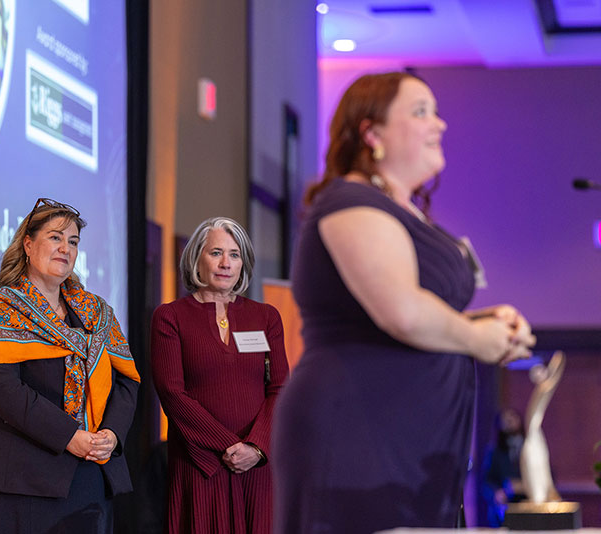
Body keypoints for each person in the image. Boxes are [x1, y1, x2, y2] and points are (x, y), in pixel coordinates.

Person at [271, 72, 537, 533]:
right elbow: (401, 312)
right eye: (420, 112)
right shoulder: (349, 202)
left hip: (412, 440)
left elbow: (415, 312)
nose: (439, 125)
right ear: (371, 134)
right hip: (359, 430)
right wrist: (477, 337)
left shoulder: (404, 210)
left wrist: (489, 322)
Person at [0, 198, 140, 533]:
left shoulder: (98, 313)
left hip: (88, 476)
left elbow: (126, 382)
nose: (65, 249)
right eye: (55, 237)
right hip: (14, 481)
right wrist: (69, 435)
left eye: (73, 242)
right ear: (28, 243)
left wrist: (111, 435)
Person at [150, 216, 290, 534]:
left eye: (234, 254)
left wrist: (255, 448)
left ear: (244, 262)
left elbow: (281, 387)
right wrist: (229, 447)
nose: (226, 263)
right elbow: (172, 392)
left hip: (257, 466)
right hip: (201, 465)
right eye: (215, 253)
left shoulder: (266, 316)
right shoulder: (170, 317)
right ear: (196, 257)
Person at [480, 408, 526, 526]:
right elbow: (486, 481)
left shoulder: (531, 448)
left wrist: (523, 486)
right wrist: (497, 493)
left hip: (529, 507)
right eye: (505, 420)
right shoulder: (495, 452)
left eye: (512, 418)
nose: (509, 422)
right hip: (504, 511)